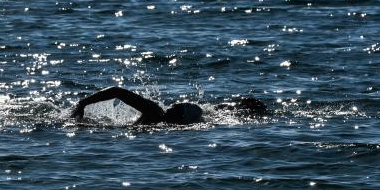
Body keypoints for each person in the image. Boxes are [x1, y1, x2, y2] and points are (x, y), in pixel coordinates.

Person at [71, 86, 267, 125]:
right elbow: (117, 91)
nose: (170, 107)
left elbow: (117, 92)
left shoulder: (158, 116)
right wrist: (83, 103)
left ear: (179, 118)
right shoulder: (156, 112)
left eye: (175, 108)